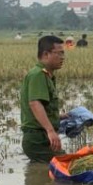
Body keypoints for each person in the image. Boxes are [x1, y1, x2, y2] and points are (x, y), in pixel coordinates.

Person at [20, 35, 66, 163]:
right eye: (59, 53)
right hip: (37, 139)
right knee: (66, 165)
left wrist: (59, 116)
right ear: (46, 54)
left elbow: (42, 106)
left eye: (63, 54)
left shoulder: (46, 75)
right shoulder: (38, 74)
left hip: (41, 137)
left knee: (48, 172)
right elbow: (35, 104)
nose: (62, 58)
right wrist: (51, 131)